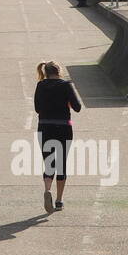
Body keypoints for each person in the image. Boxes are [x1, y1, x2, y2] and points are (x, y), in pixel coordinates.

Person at [34, 61, 81, 212]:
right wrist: (66, 102)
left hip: (45, 127)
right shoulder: (66, 85)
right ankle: (59, 201)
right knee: (61, 164)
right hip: (63, 127)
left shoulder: (40, 85)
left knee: (49, 162)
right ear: (59, 71)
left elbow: (37, 108)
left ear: (45, 72)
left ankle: (47, 189)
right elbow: (77, 107)